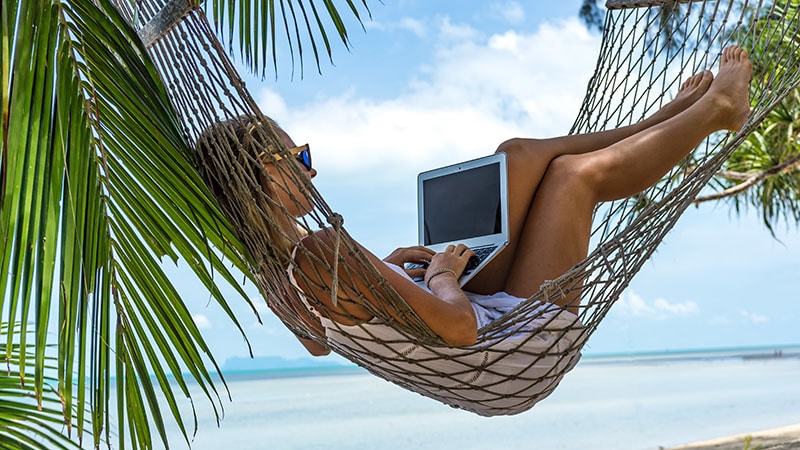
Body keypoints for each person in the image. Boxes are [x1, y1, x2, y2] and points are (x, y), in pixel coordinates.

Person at [197, 45, 752, 415]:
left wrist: (385, 274)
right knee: (571, 179)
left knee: (513, 157)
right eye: (299, 154)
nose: (311, 168)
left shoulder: (274, 272)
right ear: (268, 172)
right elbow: (459, 328)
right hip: (509, 357)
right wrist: (440, 276)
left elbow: (318, 343)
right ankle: (716, 110)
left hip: (483, 345)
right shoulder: (319, 249)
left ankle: (660, 121)